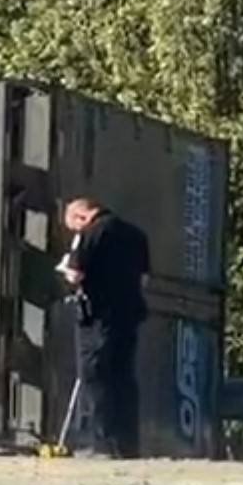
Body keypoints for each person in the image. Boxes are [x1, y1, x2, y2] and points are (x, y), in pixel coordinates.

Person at [57, 196, 151, 459]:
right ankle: (128, 445)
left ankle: (103, 443)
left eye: (74, 227)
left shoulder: (92, 232)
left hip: (98, 316)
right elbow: (144, 279)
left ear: (81, 217)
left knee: (95, 376)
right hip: (129, 315)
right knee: (123, 378)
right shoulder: (136, 235)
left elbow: (76, 273)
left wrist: (65, 271)